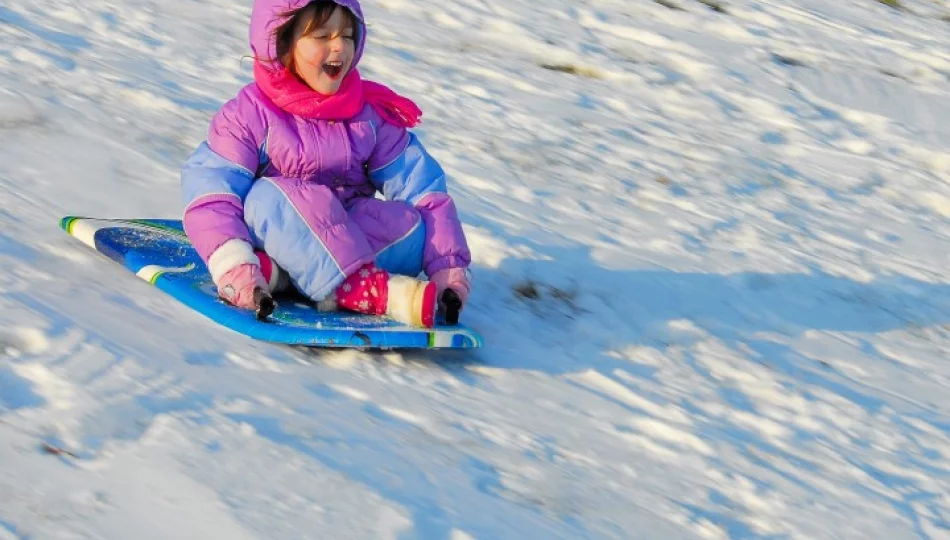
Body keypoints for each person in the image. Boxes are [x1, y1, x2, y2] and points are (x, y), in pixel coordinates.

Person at [181, 0, 472, 328]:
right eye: (321, 36)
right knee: (267, 197)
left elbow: (421, 186)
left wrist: (448, 268)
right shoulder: (250, 115)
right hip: (275, 231)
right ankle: (355, 287)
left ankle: (285, 276)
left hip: (341, 232)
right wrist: (234, 267)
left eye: (347, 35)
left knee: (415, 225)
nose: (339, 47)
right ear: (282, 42)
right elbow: (212, 190)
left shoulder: (367, 114)